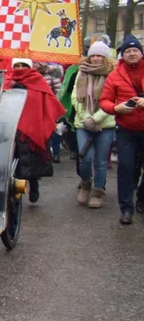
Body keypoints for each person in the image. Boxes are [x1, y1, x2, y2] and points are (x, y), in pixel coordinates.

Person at [1, 58, 62, 203]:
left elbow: (47, 102)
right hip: (13, 125)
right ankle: (16, 189)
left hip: (34, 126)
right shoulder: (7, 80)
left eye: (24, 65)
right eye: (17, 65)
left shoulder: (38, 80)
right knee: (14, 158)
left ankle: (34, 183)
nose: (20, 68)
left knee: (33, 159)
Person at [99, 34, 144, 225]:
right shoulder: (115, 75)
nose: (132, 53)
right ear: (122, 55)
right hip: (126, 129)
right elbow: (104, 101)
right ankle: (126, 209)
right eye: (128, 51)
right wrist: (115, 108)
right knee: (125, 167)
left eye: (135, 50)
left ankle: (141, 198)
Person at [71, 41, 117, 208]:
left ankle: (98, 191)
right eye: (94, 55)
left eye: (100, 55)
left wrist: (95, 119)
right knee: (85, 157)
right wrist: (86, 119)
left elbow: (114, 100)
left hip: (105, 124)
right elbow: (75, 97)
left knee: (101, 161)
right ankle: (85, 184)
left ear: (105, 58)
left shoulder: (113, 74)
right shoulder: (81, 72)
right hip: (83, 123)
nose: (96, 58)